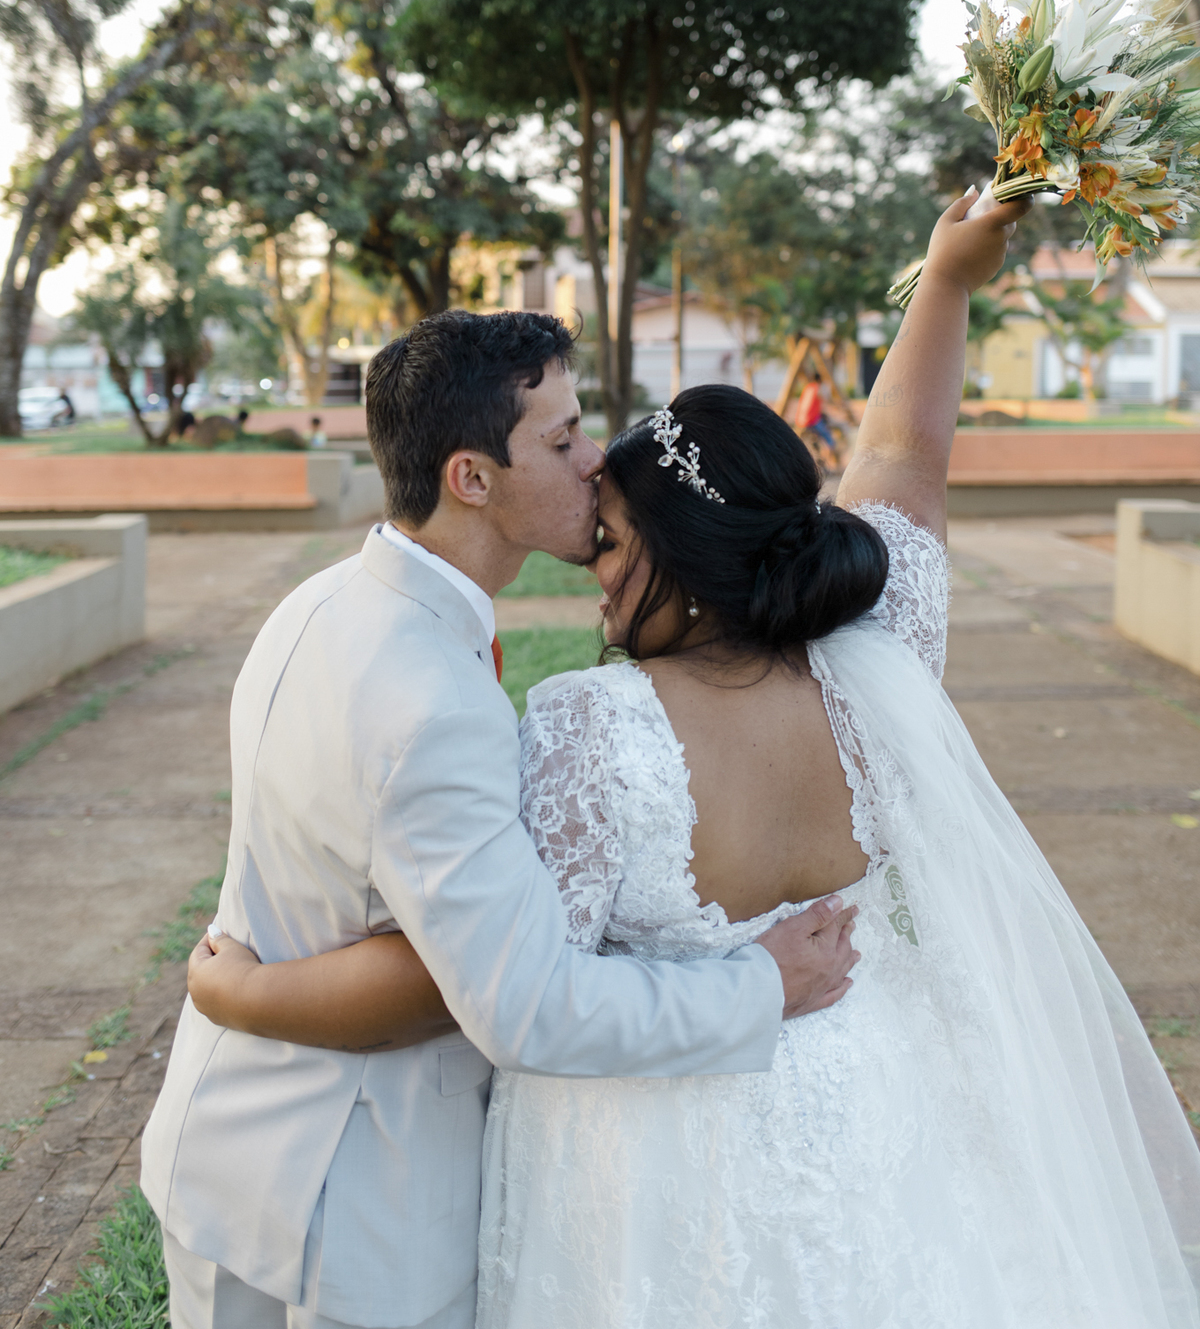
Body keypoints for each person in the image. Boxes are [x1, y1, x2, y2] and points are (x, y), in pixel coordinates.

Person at [192, 190, 1200, 1327]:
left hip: (645, 1165)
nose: (595, 563)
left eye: (613, 539)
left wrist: (247, 990)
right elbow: (905, 451)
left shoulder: (586, 727)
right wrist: (948, 279)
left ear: (679, 555)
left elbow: (484, 982)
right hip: (875, 1097)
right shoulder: (883, 659)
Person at [144, 309, 858, 1329]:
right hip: (348, 1202)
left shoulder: (317, 603)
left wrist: (245, 995)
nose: (595, 461)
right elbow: (526, 1007)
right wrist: (761, 985)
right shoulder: (433, 701)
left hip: (225, 1149)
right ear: (472, 478)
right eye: (562, 440)